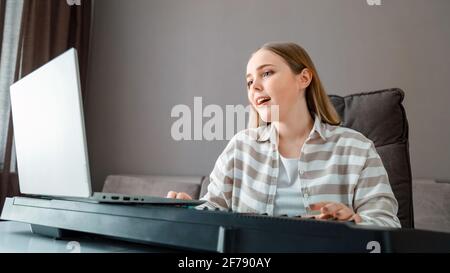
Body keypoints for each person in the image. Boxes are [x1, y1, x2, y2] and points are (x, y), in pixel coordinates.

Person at [167, 42, 401, 227]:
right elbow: (211, 213)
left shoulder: (356, 149)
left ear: (304, 78)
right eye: (249, 82)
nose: (255, 87)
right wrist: (187, 211)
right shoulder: (240, 148)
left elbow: (387, 224)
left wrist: (354, 222)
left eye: (266, 73)